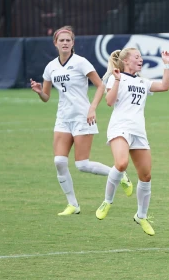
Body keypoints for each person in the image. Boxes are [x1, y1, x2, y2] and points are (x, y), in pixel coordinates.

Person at [30, 26, 132, 216]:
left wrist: (92, 108)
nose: (65, 43)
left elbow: (100, 86)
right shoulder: (50, 67)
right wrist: (39, 92)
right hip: (63, 118)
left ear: (73, 43)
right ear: (55, 43)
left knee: (81, 164)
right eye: (62, 40)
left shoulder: (81, 62)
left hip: (82, 117)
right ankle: (73, 204)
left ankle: (120, 174)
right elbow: (46, 97)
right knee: (59, 161)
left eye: (68, 40)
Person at [94, 47, 169, 236]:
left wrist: (166, 64)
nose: (141, 60)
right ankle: (107, 201)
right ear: (126, 61)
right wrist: (119, 79)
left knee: (146, 176)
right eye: (137, 57)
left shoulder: (143, 82)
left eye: (141, 57)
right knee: (121, 164)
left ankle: (141, 215)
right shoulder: (116, 77)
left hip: (138, 132)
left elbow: (164, 86)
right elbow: (109, 102)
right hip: (120, 127)